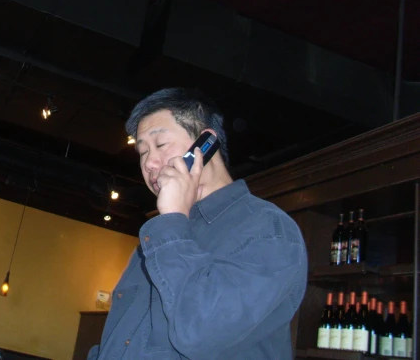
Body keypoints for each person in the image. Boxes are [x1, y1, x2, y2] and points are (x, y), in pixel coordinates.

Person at [88, 88, 308, 360]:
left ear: (206, 143)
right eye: (142, 152)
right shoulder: (156, 239)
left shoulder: (269, 231)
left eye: (160, 145)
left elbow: (200, 332)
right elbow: (121, 335)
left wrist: (172, 221)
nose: (149, 164)